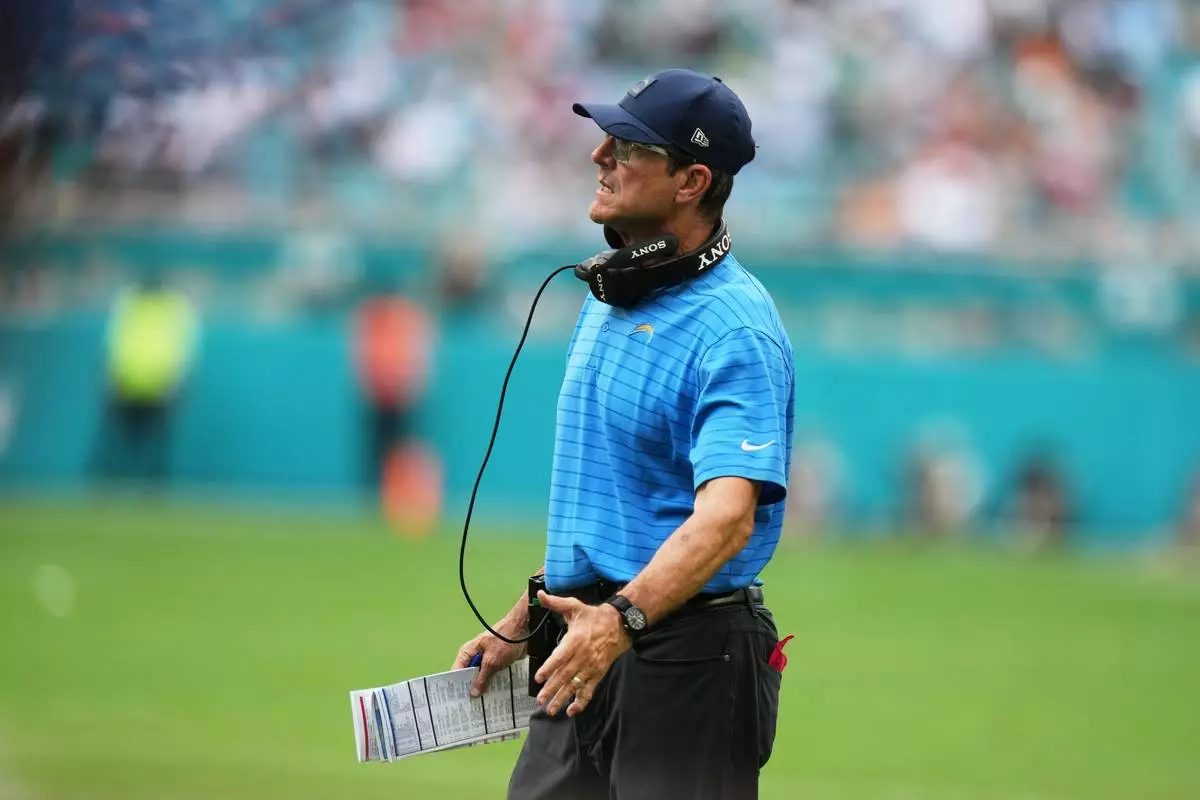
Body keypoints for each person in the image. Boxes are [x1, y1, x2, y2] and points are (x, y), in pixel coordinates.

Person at [452, 68, 796, 799]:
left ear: (691, 180)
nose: (598, 156)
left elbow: (728, 517)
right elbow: (617, 510)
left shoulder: (735, 327)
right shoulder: (613, 294)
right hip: (585, 640)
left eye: (629, 146)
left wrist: (621, 620)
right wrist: (521, 626)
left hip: (685, 659)